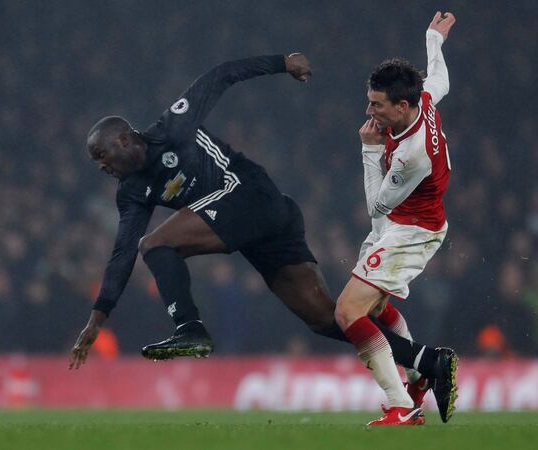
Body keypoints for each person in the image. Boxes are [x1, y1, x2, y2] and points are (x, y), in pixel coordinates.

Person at [68, 49, 452, 395]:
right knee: (324, 317)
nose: (101, 167)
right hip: (259, 225)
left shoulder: (172, 129)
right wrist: (97, 318)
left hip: (252, 196)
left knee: (154, 245)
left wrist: (282, 63)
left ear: (123, 140)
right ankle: (427, 361)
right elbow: (120, 254)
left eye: (101, 155)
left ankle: (189, 328)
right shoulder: (132, 191)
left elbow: (219, 74)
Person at [334, 12, 458, 426]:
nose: (369, 110)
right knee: (376, 306)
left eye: (376, 104)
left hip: (411, 229)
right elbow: (440, 78)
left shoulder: (411, 154)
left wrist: (369, 150)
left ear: (401, 105)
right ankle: (417, 376)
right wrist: (432, 39)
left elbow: (376, 205)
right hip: (403, 223)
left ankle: (399, 403)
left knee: (348, 312)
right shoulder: (423, 99)